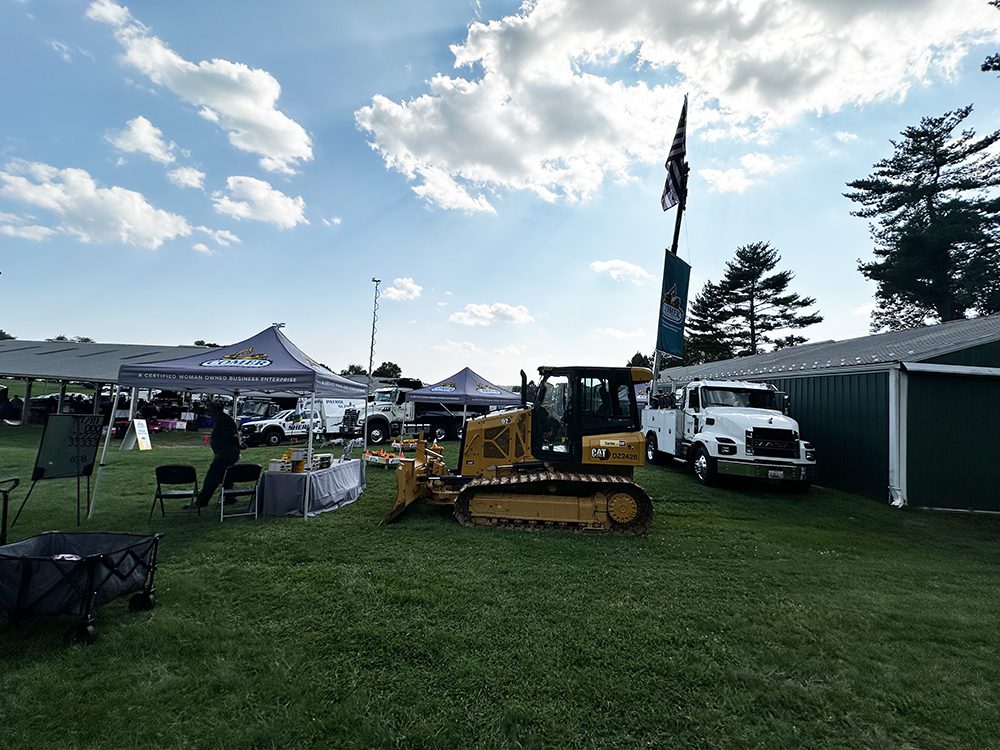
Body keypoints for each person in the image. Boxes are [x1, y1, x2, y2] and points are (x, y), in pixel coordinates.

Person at [188, 401, 241, 509]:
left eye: (210, 410)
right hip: (223, 452)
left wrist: (238, 445)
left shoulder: (225, 421)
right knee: (224, 475)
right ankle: (230, 497)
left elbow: (233, 436)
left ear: (216, 411)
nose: (208, 413)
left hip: (226, 453)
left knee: (212, 477)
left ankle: (203, 500)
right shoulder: (220, 420)